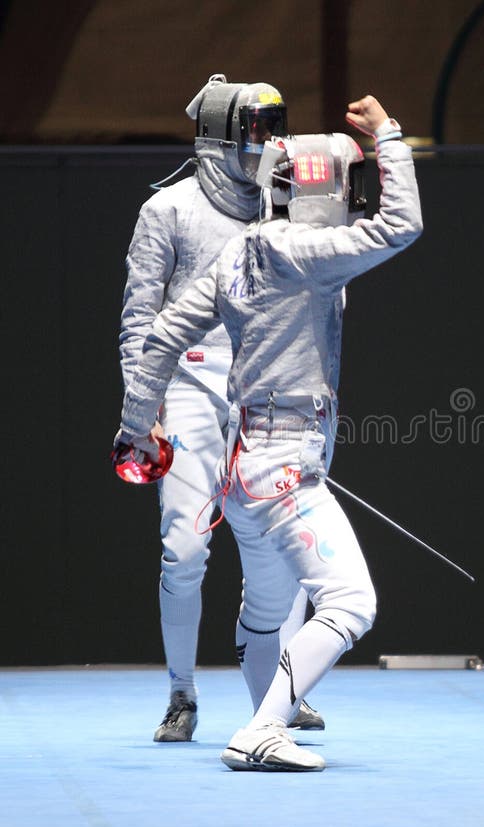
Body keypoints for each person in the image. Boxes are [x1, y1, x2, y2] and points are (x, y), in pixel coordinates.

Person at [115, 94, 423, 771]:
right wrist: (389, 137)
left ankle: (266, 719)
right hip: (284, 470)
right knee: (350, 600)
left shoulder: (235, 255)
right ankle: (256, 728)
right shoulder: (312, 255)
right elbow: (402, 223)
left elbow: (163, 336)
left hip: (242, 473)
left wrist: (136, 426)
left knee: (272, 604)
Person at [119, 73, 323, 742]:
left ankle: (280, 688)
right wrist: (140, 409)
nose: (270, 142)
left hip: (266, 395)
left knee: (285, 552)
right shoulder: (168, 210)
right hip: (185, 391)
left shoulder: (284, 208)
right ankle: (182, 694)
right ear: (221, 136)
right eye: (258, 129)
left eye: (274, 127)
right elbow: (139, 320)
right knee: (183, 551)